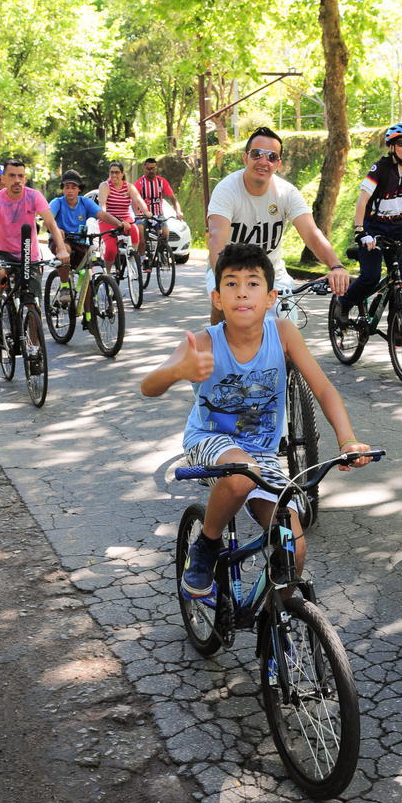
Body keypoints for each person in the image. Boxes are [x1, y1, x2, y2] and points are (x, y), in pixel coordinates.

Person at [140, 242, 372, 597]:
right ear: (217, 298)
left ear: (270, 297)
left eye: (253, 283)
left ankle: (273, 631)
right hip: (210, 440)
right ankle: (207, 544)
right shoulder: (204, 341)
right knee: (240, 475)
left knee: (293, 546)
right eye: (231, 284)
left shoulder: (283, 334)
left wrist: (347, 439)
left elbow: (324, 390)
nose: (242, 292)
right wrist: (176, 371)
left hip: (261, 453)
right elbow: (148, 387)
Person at [207, 126, 350, 324]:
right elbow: (216, 238)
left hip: (272, 274)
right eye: (257, 154)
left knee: (286, 335)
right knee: (226, 318)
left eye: (271, 157)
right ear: (245, 158)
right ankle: (217, 348)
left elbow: (311, 233)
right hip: (230, 270)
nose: (263, 162)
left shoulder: (286, 193)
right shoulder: (227, 190)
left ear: (278, 164)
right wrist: (222, 280)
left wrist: (336, 266)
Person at [334, 122, 402, 324]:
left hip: (398, 228)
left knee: (401, 282)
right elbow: (363, 200)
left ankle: (397, 327)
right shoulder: (380, 169)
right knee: (371, 277)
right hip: (373, 226)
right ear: (391, 146)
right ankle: (343, 303)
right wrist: (361, 231)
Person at [0, 159, 68, 337]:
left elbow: (51, 223)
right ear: (3, 179)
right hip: (4, 253)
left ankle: (34, 349)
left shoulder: (34, 196)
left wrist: (62, 248)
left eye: (21, 176)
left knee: (32, 304)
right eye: (12, 176)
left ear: (25, 178)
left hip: (29, 255)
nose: (17, 180)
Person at [48, 169, 124, 308]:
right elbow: (49, 219)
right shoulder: (57, 202)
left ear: (79, 190)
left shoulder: (84, 202)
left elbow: (102, 215)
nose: (70, 190)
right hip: (61, 241)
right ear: (63, 189)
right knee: (65, 250)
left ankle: (89, 316)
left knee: (88, 272)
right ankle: (65, 286)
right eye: (67, 187)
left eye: (73, 187)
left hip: (81, 242)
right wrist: (56, 229)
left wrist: (120, 224)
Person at [98, 161, 152, 272]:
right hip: (108, 220)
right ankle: (107, 273)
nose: (114, 175)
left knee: (135, 231)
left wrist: (146, 211)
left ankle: (132, 257)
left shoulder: (129, 187)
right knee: (111, 249)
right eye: (111, 172)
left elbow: (138, 200)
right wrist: (103, 213)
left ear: (122, 174)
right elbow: (102, 204)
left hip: (125, 219)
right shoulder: (105, 186)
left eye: (117, 172)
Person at [133, 157, 183, 256]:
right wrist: (137, 214)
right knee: (140, 235)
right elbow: (134, 201)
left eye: (153, 168)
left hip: (158, 214)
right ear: (144, 169)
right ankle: (142, 258)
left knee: (165, 233)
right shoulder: (139, 183)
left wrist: (178, 211)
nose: (151, 171)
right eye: (148, 169)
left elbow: (173, 198)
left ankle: (160, 254)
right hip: (143, 215)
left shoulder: (161, 182)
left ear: (156, 168)